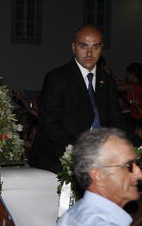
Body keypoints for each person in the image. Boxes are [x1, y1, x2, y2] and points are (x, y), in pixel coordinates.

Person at [29, 24, 125, 173]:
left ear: (101, 49)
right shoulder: (57, 78)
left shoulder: (107, 81)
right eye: (83, 46)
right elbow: (50, 126)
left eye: (95, 47)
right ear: (73, 47)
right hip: (56, 162)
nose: (89, 52)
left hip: (98, 161)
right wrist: (85, 152)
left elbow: (116, 122)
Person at [46, 128, 142, 226]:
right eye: (129, 165)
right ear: (98, 174)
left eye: (138, 164)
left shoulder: (71, 216)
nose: (139, 173)